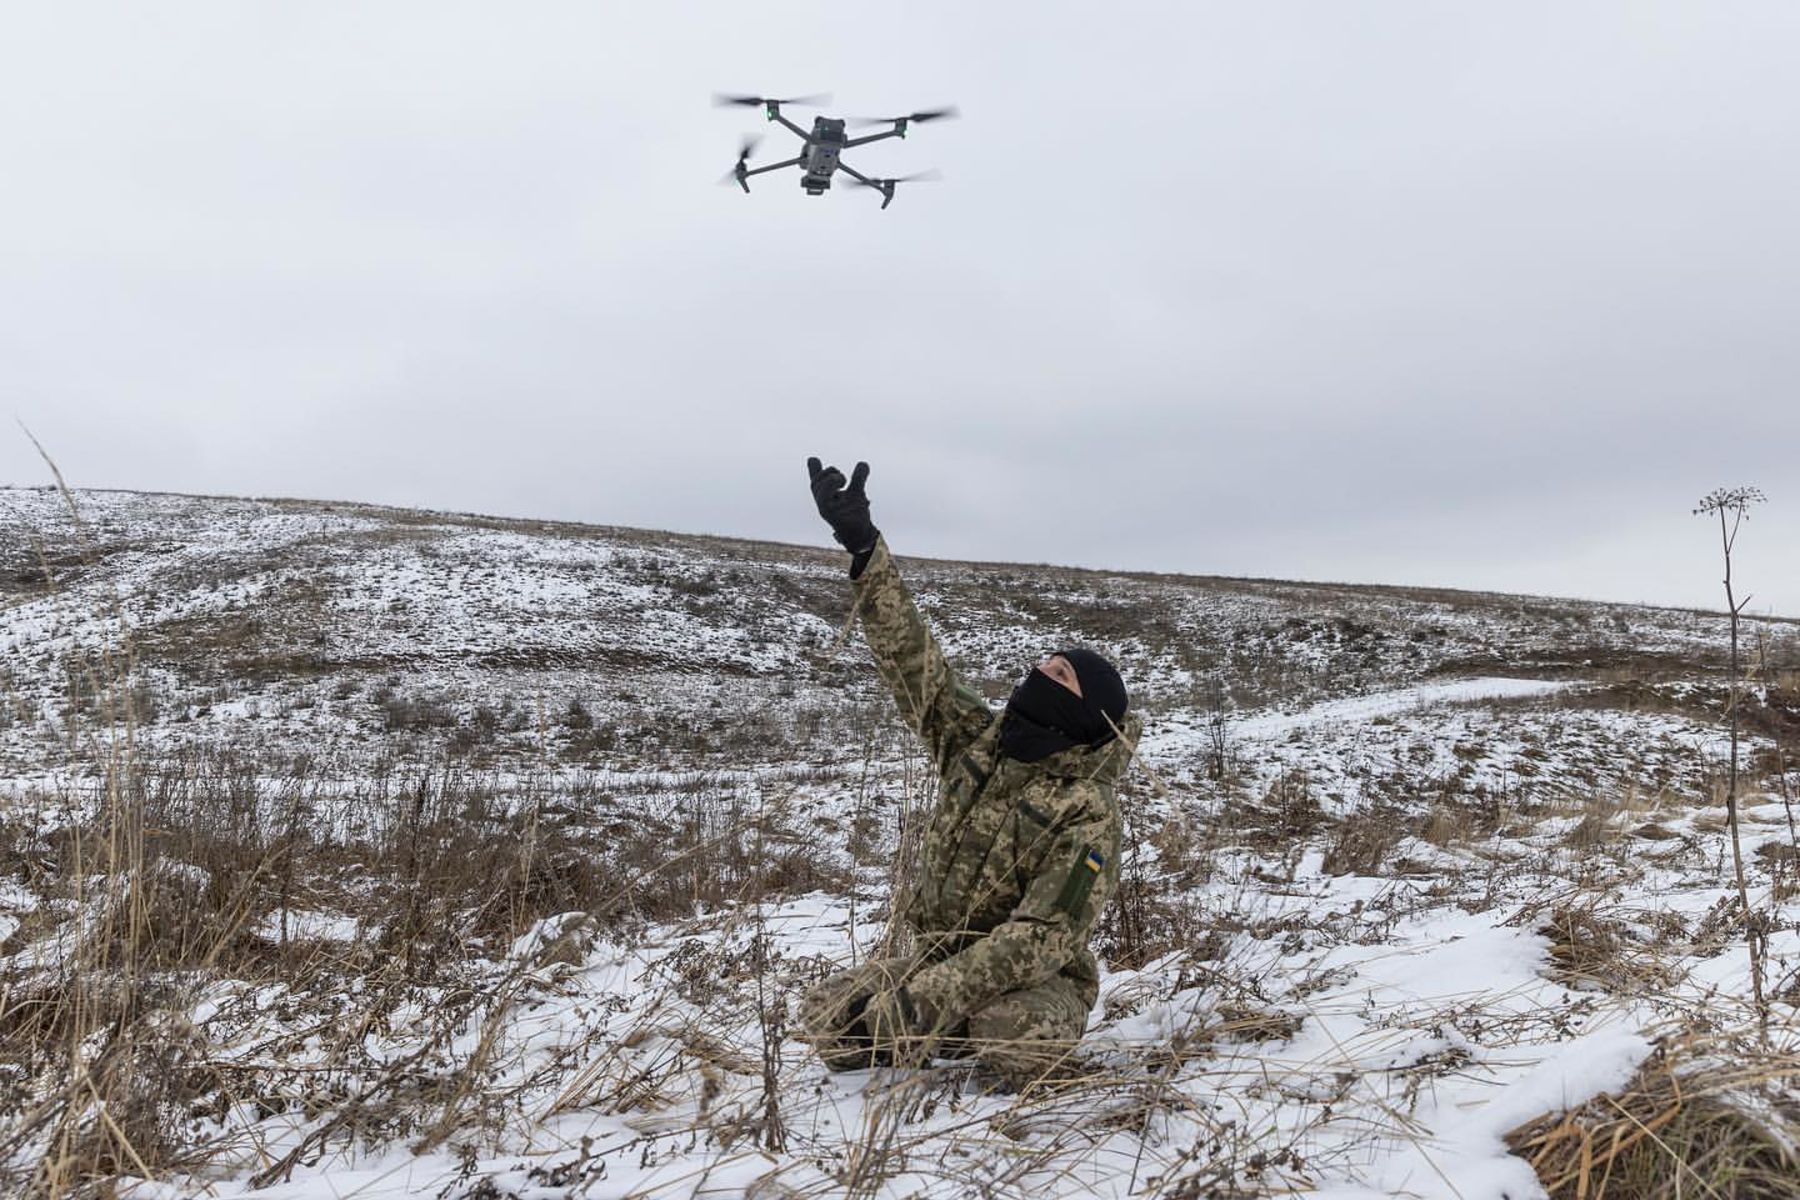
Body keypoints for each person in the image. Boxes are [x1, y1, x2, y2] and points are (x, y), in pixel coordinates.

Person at [797, 457, 1138, 1089]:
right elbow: (913, 660)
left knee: (1011, 1038)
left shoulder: (1088, 812)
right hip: (935, 960)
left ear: (1084, 713)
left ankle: (958, 1029)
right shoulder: (979, 742)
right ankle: (939, 1029)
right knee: (828, 1020)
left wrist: (922, 1003)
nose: (1039, 674)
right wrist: (863, 546)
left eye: (1059, 676)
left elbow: (1040, 940)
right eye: (1045, 663)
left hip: (1034, 981)